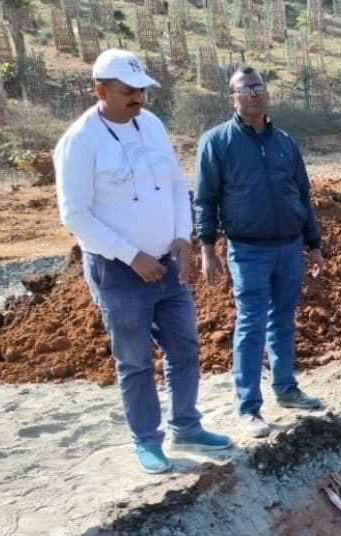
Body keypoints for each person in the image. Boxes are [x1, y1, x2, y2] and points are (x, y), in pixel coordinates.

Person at [54, 49, 232, 474]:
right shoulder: (80, 141)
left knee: (184, 347)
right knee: (134, 360)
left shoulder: (150, 125)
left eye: (142, 90)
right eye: (128, 91)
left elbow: (175, 185)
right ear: (101, 90)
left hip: (167, 263)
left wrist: (183, 236)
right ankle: (147, 440)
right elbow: (75, 215)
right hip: (118, 271)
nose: (138, 97)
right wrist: (131, 256)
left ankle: (186, 426)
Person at [194, 66, 326, 440]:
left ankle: (286, 389)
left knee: (282, 319)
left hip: (289, 247)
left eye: (258, 87)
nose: (253, 94)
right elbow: (204, 200)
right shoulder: (216, 143)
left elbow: (302, 196)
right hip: (248, 250)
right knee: (251, 325)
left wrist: (314, 244)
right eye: (245, 89)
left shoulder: (285, 142)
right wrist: (207, 248)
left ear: (267, 93)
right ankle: (249, 408)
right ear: (232, 98)